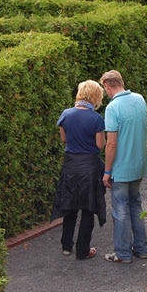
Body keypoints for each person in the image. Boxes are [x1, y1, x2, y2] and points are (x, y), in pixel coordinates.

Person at [51, 80, 107, 260]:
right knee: (88, 207)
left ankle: (66, 245)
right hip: (90, 166)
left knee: (70, 206)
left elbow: (64, 140)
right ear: (95, 96)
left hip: (70, 165)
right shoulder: (96, 118)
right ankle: (83, 249)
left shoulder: (66, 114)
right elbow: (100, 145)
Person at [99, 70, 147, 264]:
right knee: (136, 205)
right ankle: (141, 248)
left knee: (120, 209)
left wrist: (107, 171)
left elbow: (111, 144)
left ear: (107, 86)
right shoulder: (139, 99)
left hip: (121, 167)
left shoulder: (113, 108)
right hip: (139, 164)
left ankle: (123, 253)